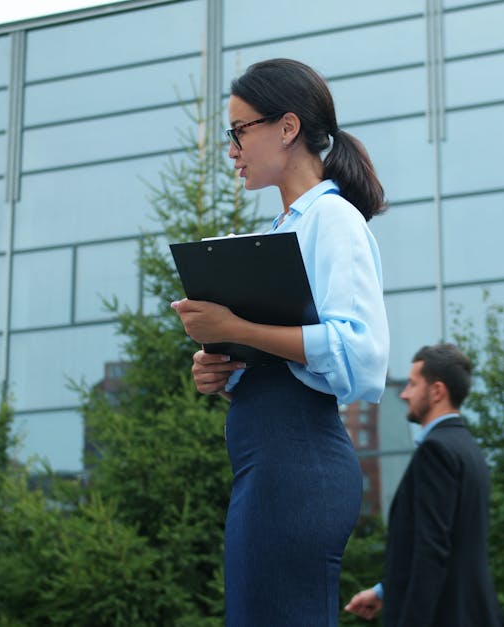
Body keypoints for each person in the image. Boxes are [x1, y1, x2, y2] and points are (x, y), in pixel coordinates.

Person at [171, 58, 389, 626]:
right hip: (271, 465)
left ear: (287, 127)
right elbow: (288, 357)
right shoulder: (285, 229)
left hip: (299, 464)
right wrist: (223, 368)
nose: (232, 148)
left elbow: (360, 355)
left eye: (239, 131)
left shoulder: (333, 219)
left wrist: (236, 330)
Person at [344, 344, 501, 627]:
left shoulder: (436, 452)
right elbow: (450, 547)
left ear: (437, 391)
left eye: (413, 384)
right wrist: (385, 591)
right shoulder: (468, 449)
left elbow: (431, 550)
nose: (404, 394)